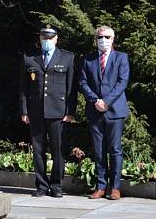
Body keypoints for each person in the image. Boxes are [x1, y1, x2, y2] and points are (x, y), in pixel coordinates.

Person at [18, 24, 77, 198]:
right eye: (44, 37)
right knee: (38, 150)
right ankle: (42, 185)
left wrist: (70, 111)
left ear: (56, 39)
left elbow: (71, 88)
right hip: (36, 111)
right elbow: (23, 88)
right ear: (40, 38)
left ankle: (57, 186)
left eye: (50, 38)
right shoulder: (29, 58)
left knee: (58, 150)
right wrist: (24, 110)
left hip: (58, 111)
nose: (47, 41)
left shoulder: (67, 58)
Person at [79, 25, 129, 200]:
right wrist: (95, 100)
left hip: (115, 111)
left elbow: (122, 82)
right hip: (95, 111)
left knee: (115, 149)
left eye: (107, 37)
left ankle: (115, 188)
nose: (104, 40)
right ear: (95, 40)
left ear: (113, 39)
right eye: (100, 37)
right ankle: (101, 186)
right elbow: (83, 83)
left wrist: (106, 102)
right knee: (99, 151)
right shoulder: (88, 60)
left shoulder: (121, 58)